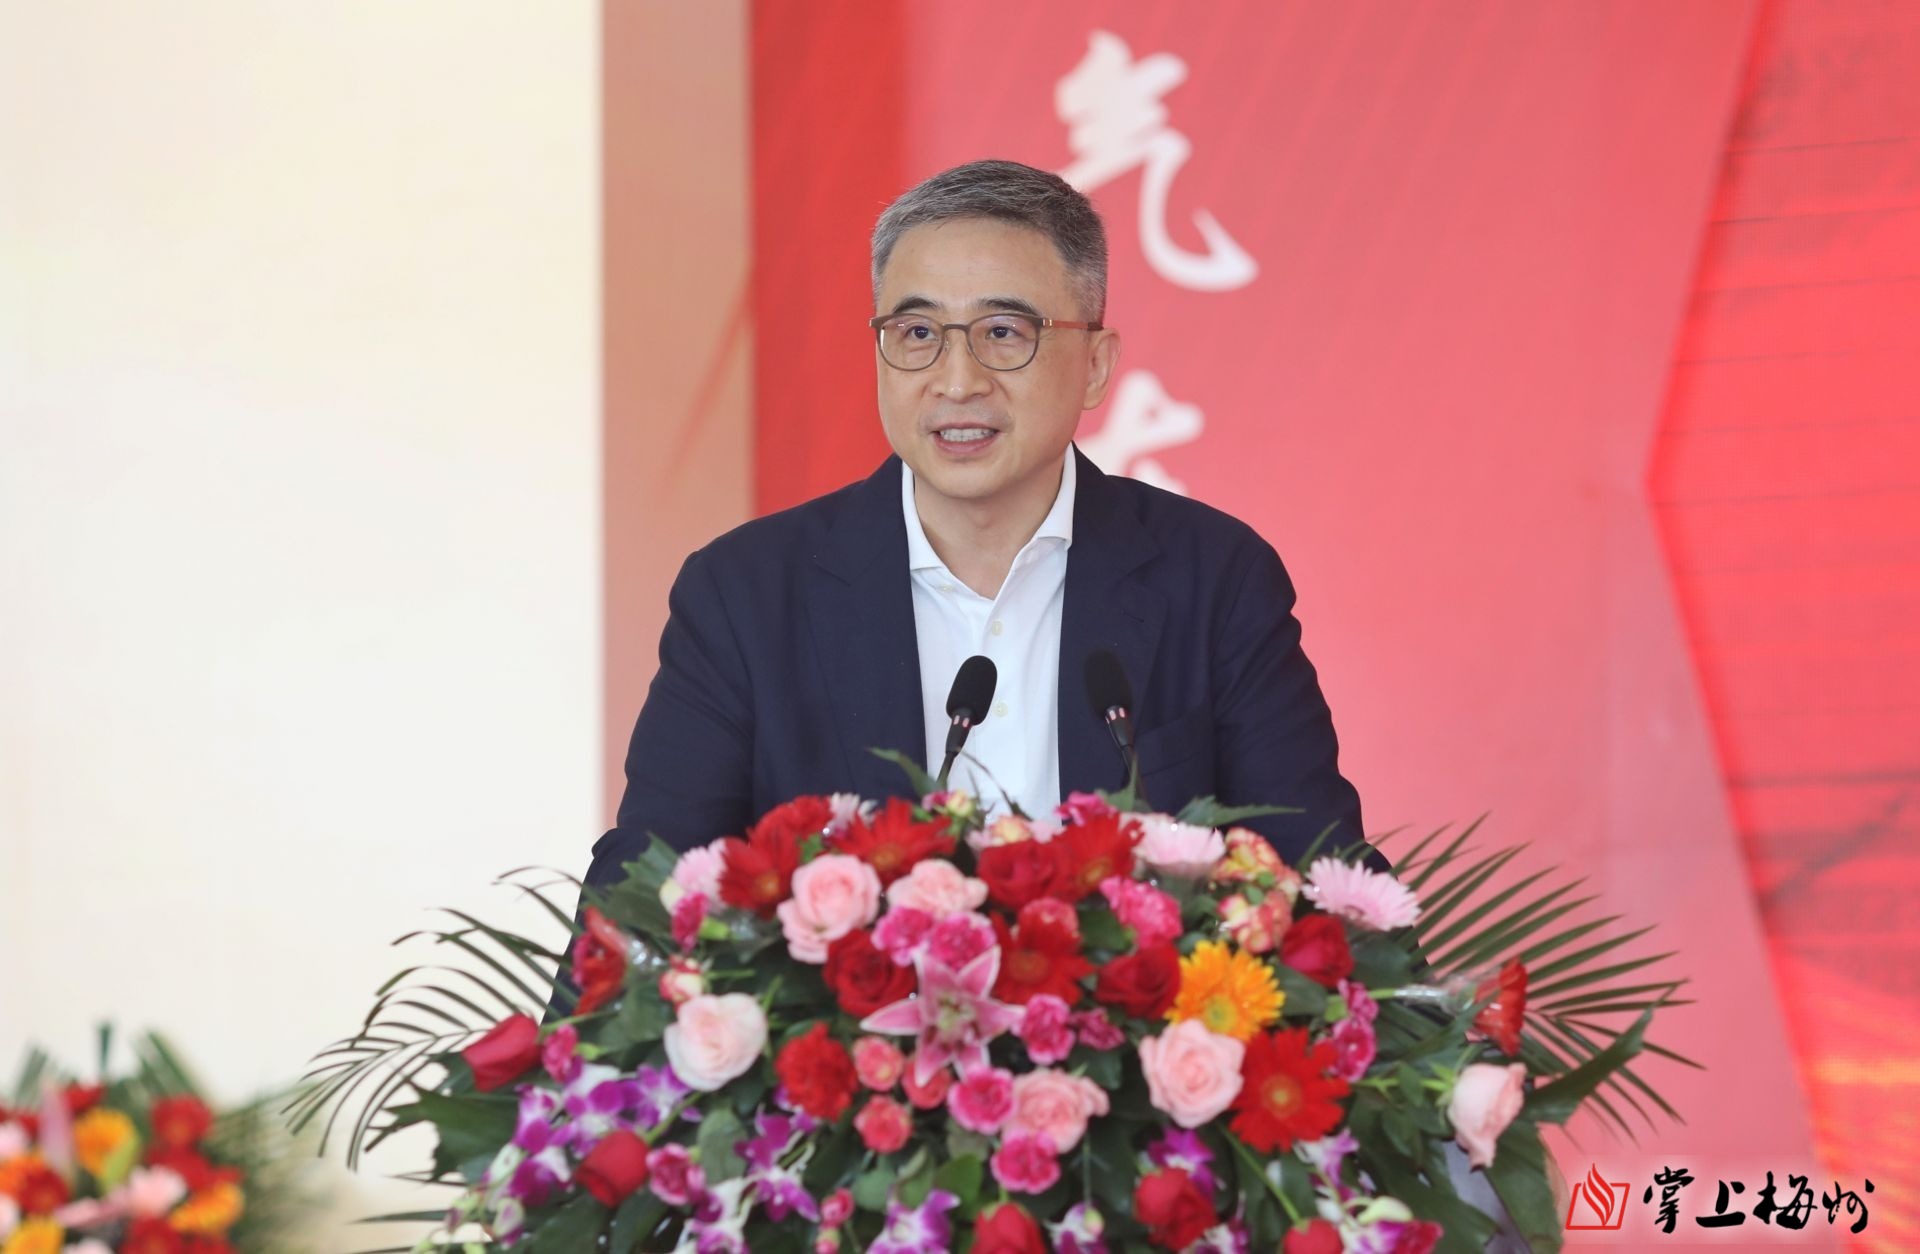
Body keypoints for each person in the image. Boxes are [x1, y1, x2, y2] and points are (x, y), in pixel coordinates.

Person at [584, 159, 1363, 891]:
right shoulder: (746, 595)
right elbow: (646, 897)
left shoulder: (1214, 579)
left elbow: (1323, 887)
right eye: (918, 335)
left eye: (1003, 333)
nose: (957, 382)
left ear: (1095, 366)